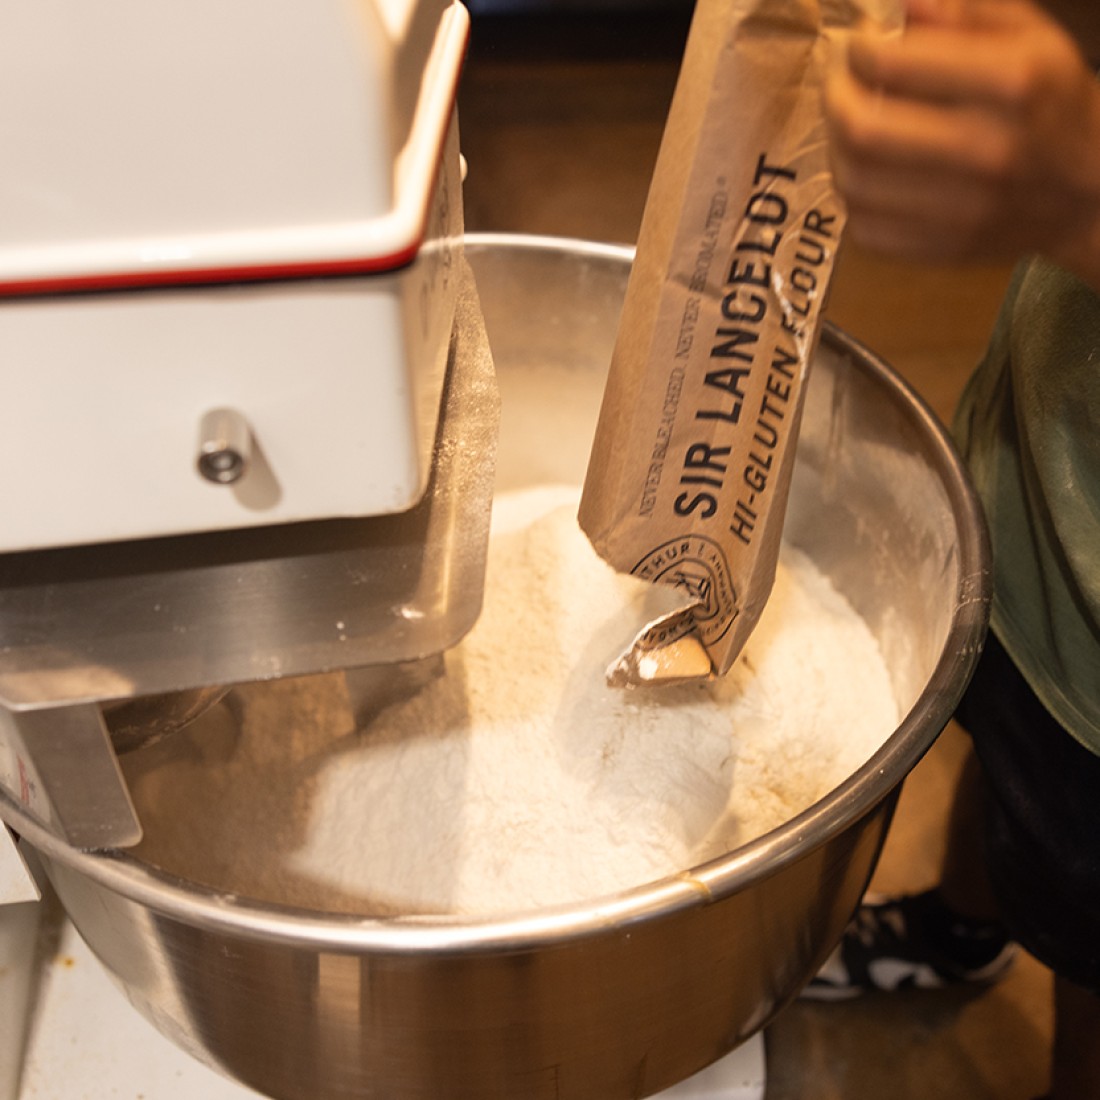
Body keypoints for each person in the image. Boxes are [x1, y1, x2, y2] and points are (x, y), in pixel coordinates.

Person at [804, 1, 1100, 1097]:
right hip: (1035, 481)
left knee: (1088, 960)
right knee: (999, 739)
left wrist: (1084, 190)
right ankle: (959, 929)